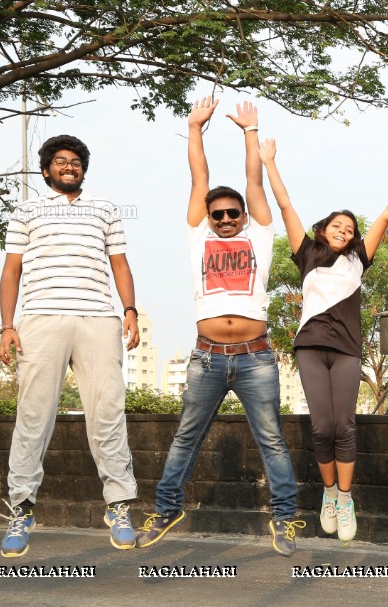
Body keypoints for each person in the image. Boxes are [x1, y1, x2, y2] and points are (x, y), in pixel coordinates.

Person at [137, 98, 303, 556]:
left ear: (244, 217)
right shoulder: (199, 234)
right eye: (219, 214)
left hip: (256, 357)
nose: (227, 219)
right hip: (206, 356)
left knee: (270, 437)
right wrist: (195, 128)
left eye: (233, 213)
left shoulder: (259, 233)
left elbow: (254, 181)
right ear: (209, 217)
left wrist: (250, 132)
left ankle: (285, 518)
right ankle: (167, 509)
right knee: (186, 435)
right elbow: (200, 178)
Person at [259, 138, 388, 542]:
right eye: (337, 225)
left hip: (348, 350)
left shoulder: (358, 259)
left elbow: (386, 217)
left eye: (349, 228)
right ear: (324, 230)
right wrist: (269, 163)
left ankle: (346, 497)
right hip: (310, 346)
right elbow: (285, 205)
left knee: (345, 425)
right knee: (321, 429)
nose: (343, 230)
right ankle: (328, 493)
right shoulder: (307, 253)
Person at [0, 134, 141, 557]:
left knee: (109, 413)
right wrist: (8, 324)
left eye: (75, 161)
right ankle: (21, 509)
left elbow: (120, 263)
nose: (69, 166)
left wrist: (129, 310)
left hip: (98, 318)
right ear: (47, 170)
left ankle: (117, 507)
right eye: (60, 161)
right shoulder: (26, 210)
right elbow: (11, 271)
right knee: (33, 416)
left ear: (83, 168)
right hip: (41, 318)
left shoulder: (105, 209)